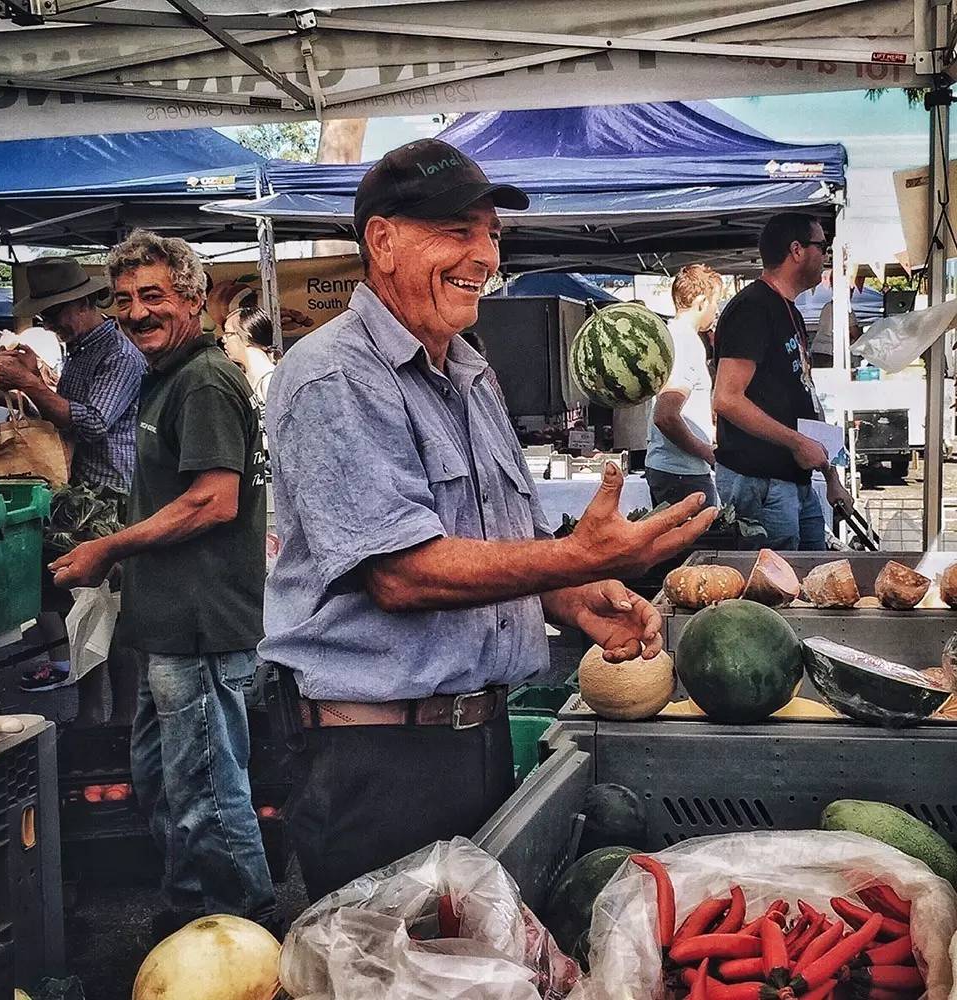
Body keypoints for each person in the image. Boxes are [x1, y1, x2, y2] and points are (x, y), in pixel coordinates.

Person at [259, 138, 717, 901]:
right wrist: (575, 560)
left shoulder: (470, 375)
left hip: (472, 741)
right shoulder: (333, 375)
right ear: (383, 240)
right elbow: (401, 575)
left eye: (492, 235)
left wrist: (572, 598)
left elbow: (500, 549)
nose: (484, 255)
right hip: (376, 764)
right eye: (456, 230)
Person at [47, 230, 276, 937]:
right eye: (123, 300)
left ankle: (243, 928)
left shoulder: (204, 381)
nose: (138, 311)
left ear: (194, 298)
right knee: (162, 775)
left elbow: (215, 499)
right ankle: (189, 909)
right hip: (165, 623)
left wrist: (108, 546)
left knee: (207, 786)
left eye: (154, 295)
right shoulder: (165, 376)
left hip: (200, 622)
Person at [713, 213, 853, 550]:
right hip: (760, 482)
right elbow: (727, 399)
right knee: (775, 590)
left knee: (814, 577)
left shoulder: (790, 311)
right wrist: (796, 443)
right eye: (822, 246)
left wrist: (831, 475)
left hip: (795, 481)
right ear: (797, 250)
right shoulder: (752, 308)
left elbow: (804, 399)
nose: (826, 257)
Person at [0, 257, 145, 502]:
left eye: (52, 315)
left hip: (110, 498)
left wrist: (29, 382)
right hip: (78, 491)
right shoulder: (79, 350)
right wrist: (35, 375)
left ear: (82, 304)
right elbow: (61, 419)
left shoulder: (118, 355)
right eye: (43, 318)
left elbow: (93, 425)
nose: (48, 326)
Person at [644, 265, 722, 507]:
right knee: (700, 543)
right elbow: (665, 415)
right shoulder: (686, 343)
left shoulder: (670, 335)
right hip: (682, 473)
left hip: (673, 470)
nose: (716, 310)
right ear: (700, 302)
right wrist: (705, 451)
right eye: (714, 302)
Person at [219, 306, 278, 404]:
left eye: (228, 333)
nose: (223, 339)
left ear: (247, 336)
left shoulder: (269, 382)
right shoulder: (248, 379)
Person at [810, 279, 862, 368]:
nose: (851, 294)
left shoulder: (827, 306)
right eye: (851, 291)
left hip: (817, 350)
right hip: (831, 352)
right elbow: (855, 333)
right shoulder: (846, 309)